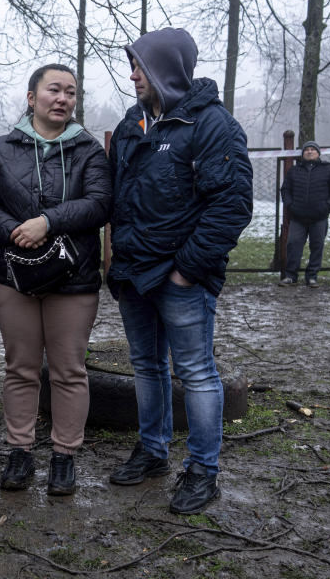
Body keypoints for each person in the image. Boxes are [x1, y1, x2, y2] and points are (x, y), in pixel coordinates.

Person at [105, 28, 253, 514]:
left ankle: (203, 470)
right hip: (133, 274)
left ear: (166, 69)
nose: (132, 76)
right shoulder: (131, 124)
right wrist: (116, 263)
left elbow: (230, 208)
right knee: (147, 367)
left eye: (139, 67)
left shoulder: (212, 125)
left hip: (180, 278)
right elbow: (117, 201)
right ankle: (153, 451)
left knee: (195, 373)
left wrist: (186, 271)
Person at [0, 64, 111, 496]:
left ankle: (65, 455)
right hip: (13, 274)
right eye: (54, 90)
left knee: (68, 369)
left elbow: (100, 203)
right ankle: (19, 450)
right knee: (21, 368)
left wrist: (47, 222)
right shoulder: (2, 147)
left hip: (73, 275)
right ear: (32, 98)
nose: (63, 98)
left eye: (70, 92)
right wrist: (16, 231)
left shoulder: (88, 149)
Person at [279, 140, 330, 287]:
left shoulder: (329, 170)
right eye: (306, 149)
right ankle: (290, 276)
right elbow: (285, 190)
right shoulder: (294, 171)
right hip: (298, 217)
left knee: (317, 245)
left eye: (313, 149)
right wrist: (290, 205)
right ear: (303, 154)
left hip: (319, 217)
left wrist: (327, 207)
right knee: (293, 245)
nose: (309, 151)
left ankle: (312, 276)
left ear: (318, 153)